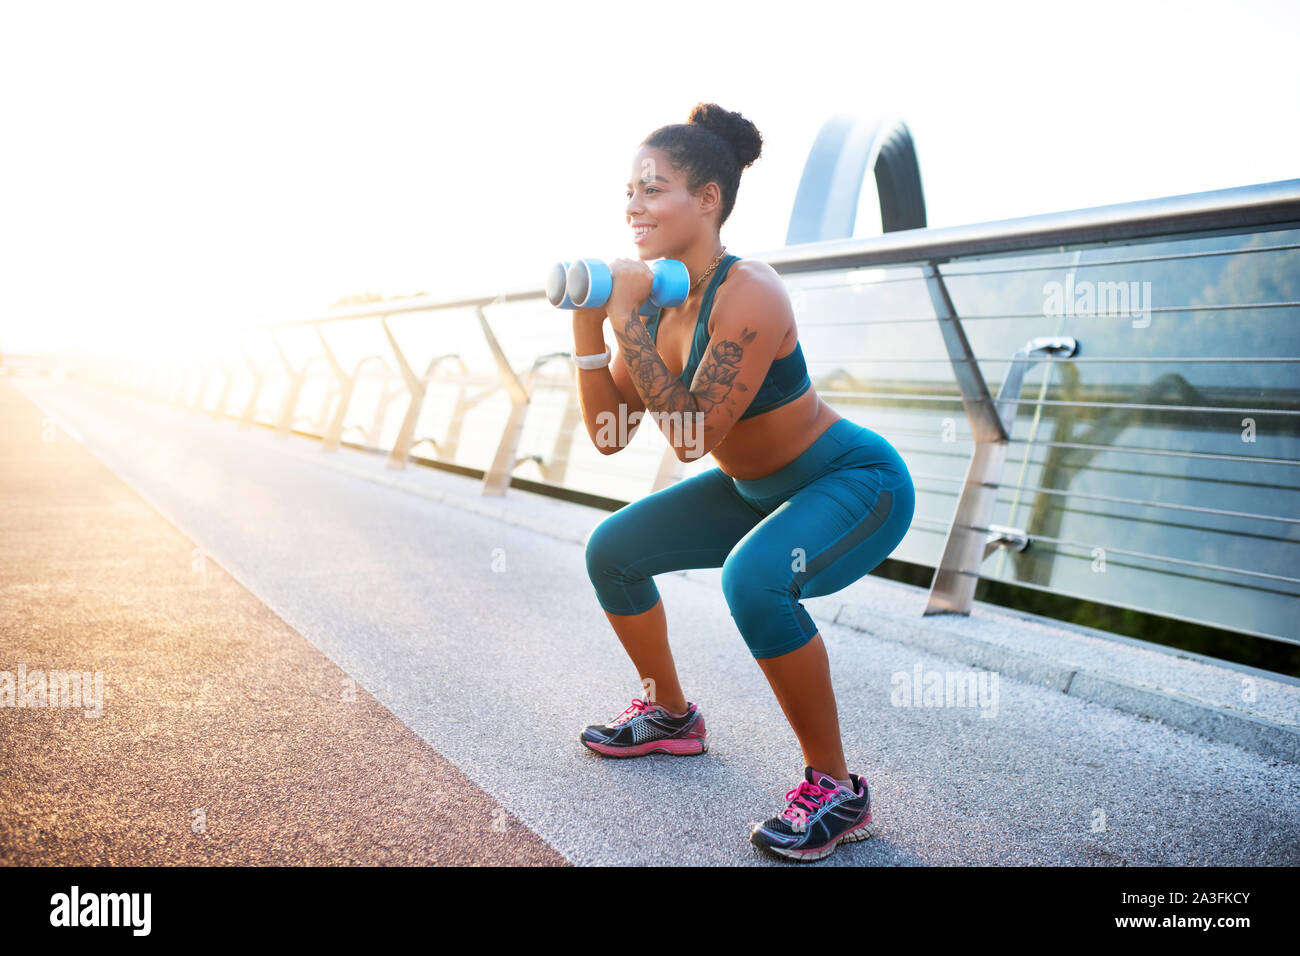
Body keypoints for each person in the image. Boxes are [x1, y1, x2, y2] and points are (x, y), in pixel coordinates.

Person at [569, 103, 915, 862]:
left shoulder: (749, 291)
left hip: (852, 480)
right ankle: (670, 716)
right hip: (753, 486)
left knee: (755, 579)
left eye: (652, 189)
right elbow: (608, 435)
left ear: (708, 200)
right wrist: (589, 325)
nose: (632, 205)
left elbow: (692, 439)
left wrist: (625, 321)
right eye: (628, 189)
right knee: (612, 550)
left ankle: (836, 787)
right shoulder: (655, 310)